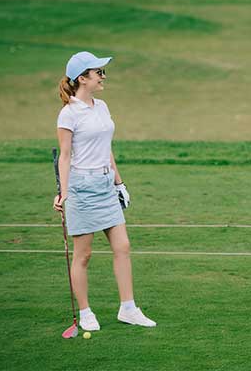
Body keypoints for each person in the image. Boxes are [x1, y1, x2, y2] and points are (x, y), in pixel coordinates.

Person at [53, 51, 156, 331]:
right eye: (98, 72)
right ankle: (85, 312)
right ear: (82, 78)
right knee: (83, 255)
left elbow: (106, 148)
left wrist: (119, 183)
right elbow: (64, 156)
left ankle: (128, 308)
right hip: (82, 188)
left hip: (105, 184)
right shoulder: (69, 114)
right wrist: (63, 192)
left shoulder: (102, 106)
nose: (103, 77)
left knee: (123, 247)